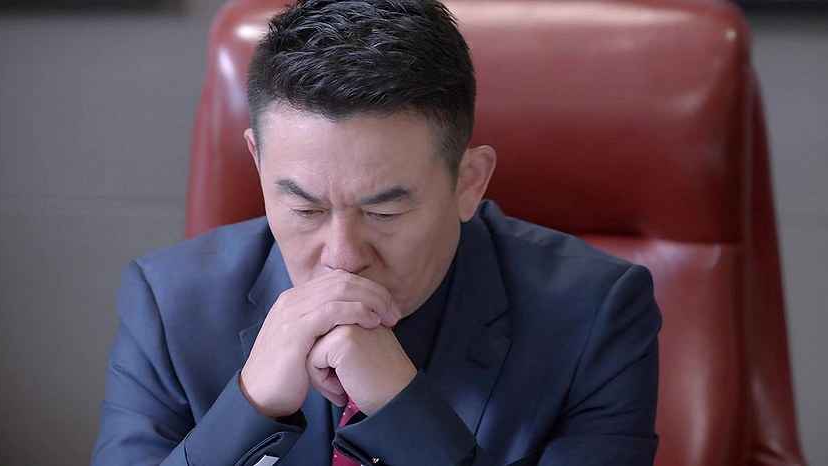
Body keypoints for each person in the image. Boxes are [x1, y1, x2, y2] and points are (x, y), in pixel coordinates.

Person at [91, 0, 661, 464]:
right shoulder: (169, 305)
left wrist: (401, 409)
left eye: (384, 214)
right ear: (258, 163)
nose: (342, 258)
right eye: (305, 209)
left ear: (469, 182)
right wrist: (251, 408)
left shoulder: (595, 315)